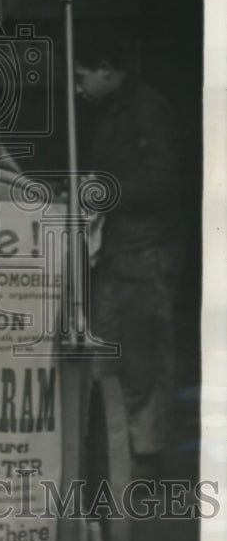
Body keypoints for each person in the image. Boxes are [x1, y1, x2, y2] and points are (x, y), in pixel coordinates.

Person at [74, 29, 182, 481]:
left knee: (144, 358)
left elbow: (163, 182)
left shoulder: (148, 110)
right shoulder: (113, 110)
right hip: (117, 255)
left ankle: (145, 458)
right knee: (107, 353)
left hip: (144, 254)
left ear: (106, 70)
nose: (80, 89)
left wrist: (104, 193)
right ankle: (115, 457)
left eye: (83, 78)